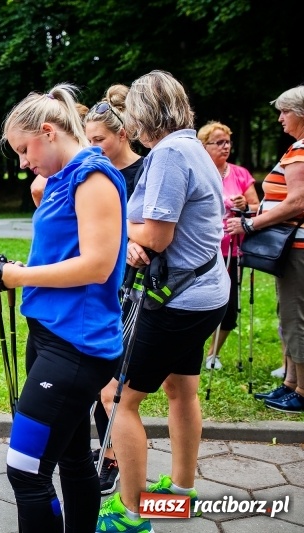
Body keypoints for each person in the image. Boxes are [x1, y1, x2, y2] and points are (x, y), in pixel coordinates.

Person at [0, 84, 127, 532]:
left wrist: (18, 277)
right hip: (49, 335)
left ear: (49, 132)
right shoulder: (59, 180)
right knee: (73, 459)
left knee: (25, 470)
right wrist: (13, 271)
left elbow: (98, 265)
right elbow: (62, 256)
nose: (22, 162)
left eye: (24, 149)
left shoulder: (93, 178)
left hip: (76, 346)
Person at [96, 71, 229, 533]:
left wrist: (117, 230)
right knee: (180, 389)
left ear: (144, 114)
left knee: (116, 396)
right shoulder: (191, 147)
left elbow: (156, 235)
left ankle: (132, 515)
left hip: (178, 301)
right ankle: (181, 491)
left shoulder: (170, 154)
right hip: (206, 293)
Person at [84, 83, 145, 495]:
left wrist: (131, 240)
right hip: (99, 284)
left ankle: (113, 457)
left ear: (122, 134)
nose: (92, 148)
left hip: (135, 290)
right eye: (88, 140)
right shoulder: (96, 170)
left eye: (98, 140)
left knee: (113, 382)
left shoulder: (146, 170)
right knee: (97, 375)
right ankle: (107, 447)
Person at [230, 85, 304, 413]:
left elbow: (297, 202)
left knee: (294, 316)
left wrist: (251, 225)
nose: (279, 118)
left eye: (285, 111)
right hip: (293, 246)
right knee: (288, 313)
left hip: (296, 246)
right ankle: (290, 383)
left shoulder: (300, 150)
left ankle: (301, 392)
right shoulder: (297, 148)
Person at [197, 121, 259, 370]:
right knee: (199, 301)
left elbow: (256, 207)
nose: (225, 147)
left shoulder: (240, 173)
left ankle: (214, 353)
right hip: (202, 249)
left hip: (232, 249)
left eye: (228, 142)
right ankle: (191, 348)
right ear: (204, 146)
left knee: (229, 304)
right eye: (219, 142)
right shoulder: (199, 172)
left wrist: (245, 206)